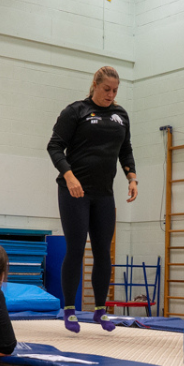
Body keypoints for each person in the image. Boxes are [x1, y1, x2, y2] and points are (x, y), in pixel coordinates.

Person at [47, 65, 138, 334]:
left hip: (104, 194)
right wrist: (69, 176)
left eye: (115, 91)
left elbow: (126, 149)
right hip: (74, 191)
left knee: (102, 253)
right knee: (76, 250)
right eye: (106, 89)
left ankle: (100, 310)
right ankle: (70, 310)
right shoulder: (76, 111)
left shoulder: (121, 115)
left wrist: (132, 177)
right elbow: (54, 146)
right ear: (95, 85)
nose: (111, 95)